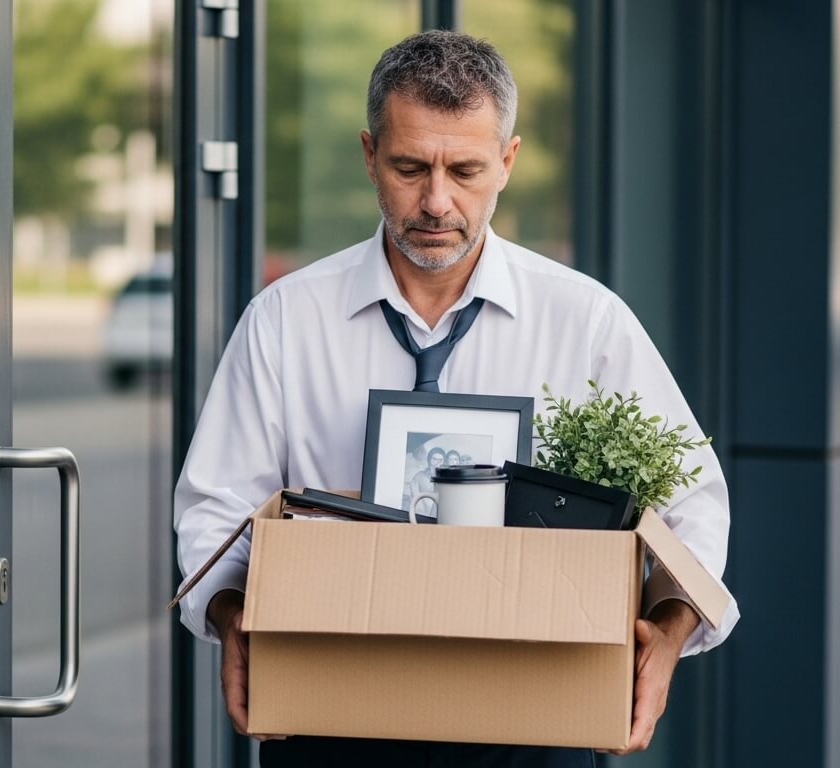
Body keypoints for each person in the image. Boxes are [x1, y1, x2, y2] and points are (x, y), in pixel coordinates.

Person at [173, 30, 738, 766]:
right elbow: (215, 507)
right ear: (369, 154)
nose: (436, 202)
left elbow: (694, 504)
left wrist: (666, 635)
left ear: (507, 162)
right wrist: (230, 618)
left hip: (539, 726)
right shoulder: (285, 321)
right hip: (333, 719)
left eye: (465, 169)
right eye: (410, 167)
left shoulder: (585, 322)